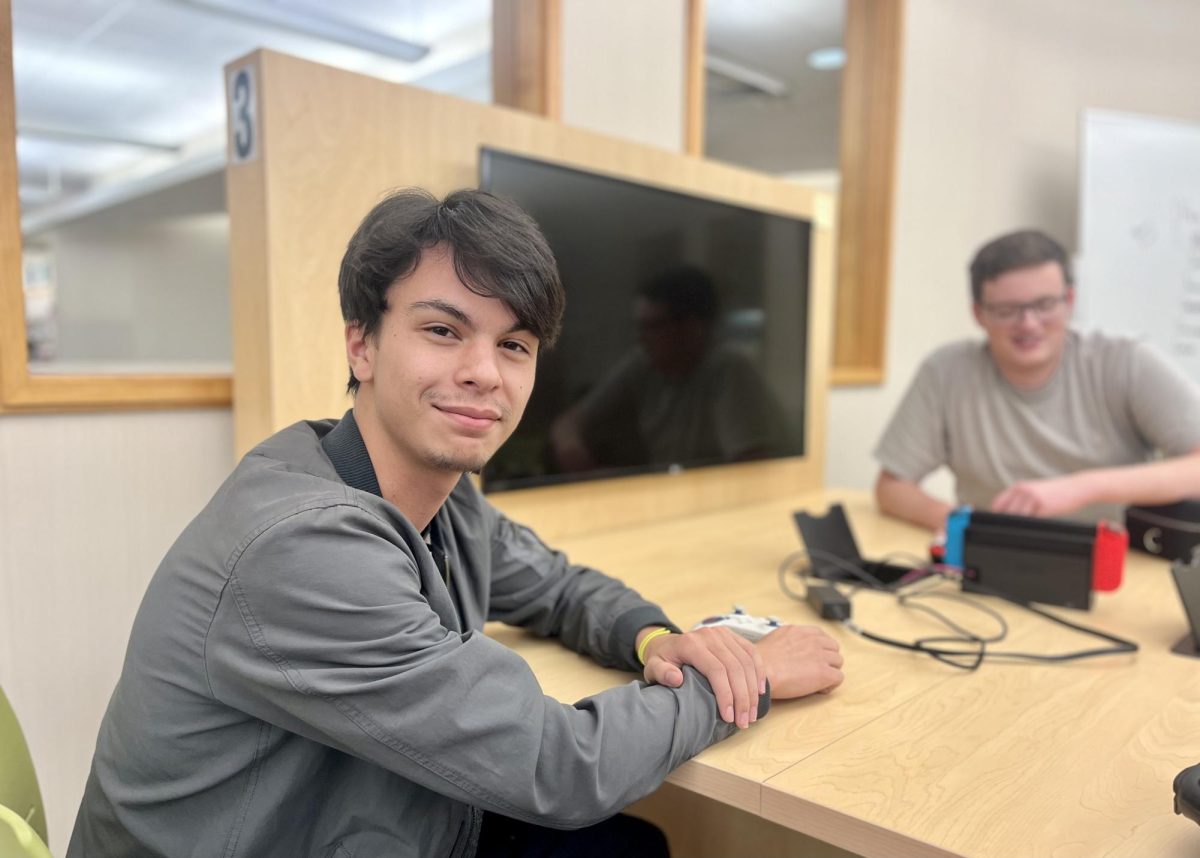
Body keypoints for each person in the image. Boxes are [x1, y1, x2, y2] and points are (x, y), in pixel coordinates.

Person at [68, 189, 844, 858]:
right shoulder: (302, 545)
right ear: (362, 344)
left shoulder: (442, 497)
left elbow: (559, 588)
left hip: (374, 819)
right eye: (444, 330)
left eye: (514, 345)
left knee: (630, 845)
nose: (483, 371)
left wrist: (654, 639)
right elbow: (558, 766)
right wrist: (752, 675)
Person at [874, 229, 1200, 532]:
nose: (1029, 324)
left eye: (1045, 305)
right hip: (998, 557)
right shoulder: (946, 371)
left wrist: (1081, 487)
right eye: (1007, 310)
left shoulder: (1126, 360)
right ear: (978, 313)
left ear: (1070, 301)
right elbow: (891, 487)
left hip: (1117, 557)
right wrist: (969, 527)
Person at [549, 265, 791, 473]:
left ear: (692, 327)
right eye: (639, 327)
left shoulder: (728, 368)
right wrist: (581, 461)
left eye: (653, 326)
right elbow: (567, 425)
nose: (641, 339)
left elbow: (752, 469)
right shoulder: (644, 364)